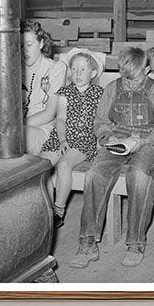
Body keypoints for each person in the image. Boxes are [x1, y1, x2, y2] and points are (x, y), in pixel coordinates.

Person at [69, 46, 154, 269]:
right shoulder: (112, 88)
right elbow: (100, 122)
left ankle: (136, 243)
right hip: (117, 141)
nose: (128, 84)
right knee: (94, 174)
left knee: (139, 175)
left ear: (146, 70)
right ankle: (87, 243)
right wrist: (108, 137)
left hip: (148, 141)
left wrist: (141, 141)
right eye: (124, 78)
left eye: (134, 79)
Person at [41, 50, 104, 228]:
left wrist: (101, 143)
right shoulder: (65, 93)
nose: (77, 73)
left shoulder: (99, 93)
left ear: (92, 74)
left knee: (64, 164)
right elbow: (60, 119)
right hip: (62, 137)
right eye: (74, 69)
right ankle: (45, 210)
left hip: (84, 140)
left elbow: (102, 121)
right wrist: (62, 140)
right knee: (42, 165)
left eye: (83, 70)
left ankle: (58, 210)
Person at [22, 22, 67, 155]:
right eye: (21, 45)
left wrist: (16, 126)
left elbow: (49, 113)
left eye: (29, 45)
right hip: (16, 127)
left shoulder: (56, 68)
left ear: (41, 43)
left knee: (13, 138)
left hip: (42, 129)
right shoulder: (15, 69)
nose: (25, 50)